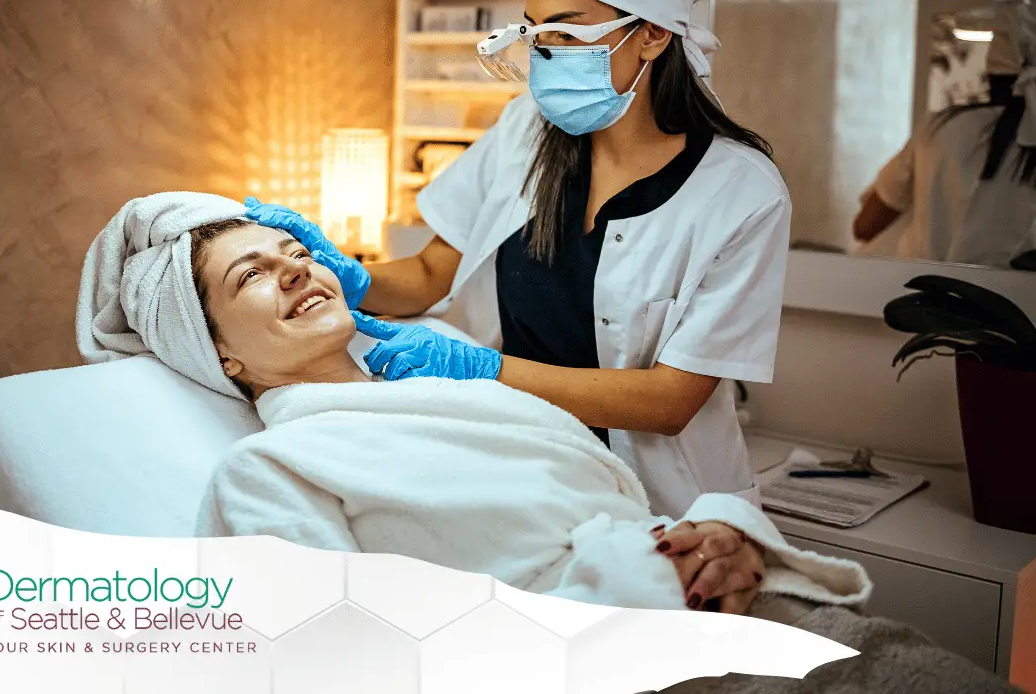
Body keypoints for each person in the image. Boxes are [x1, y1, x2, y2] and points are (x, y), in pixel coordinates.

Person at [245, 0, 791, 518]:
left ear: (652, 34)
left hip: (667, 503)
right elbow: (430, 273)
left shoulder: (742, 192)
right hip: (521, 467)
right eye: (534, 31)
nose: (542, 54)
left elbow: (670, 401)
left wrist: (479, 370)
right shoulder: (525, 130)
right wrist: (347, 275)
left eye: (566, 31)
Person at [76, 193, 865, 616]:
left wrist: (725, 536)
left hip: (734, 603)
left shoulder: (453, 395)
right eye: (249, 275)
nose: (294, 269)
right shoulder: (269, 470)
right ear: (219, 354)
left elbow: (616, 504)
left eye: (295, 253)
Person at [854, 0, 1036, 269]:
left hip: (918, 288)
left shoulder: (940, 128)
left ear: (989, 71)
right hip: (1005, 296)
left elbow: (865, 225)